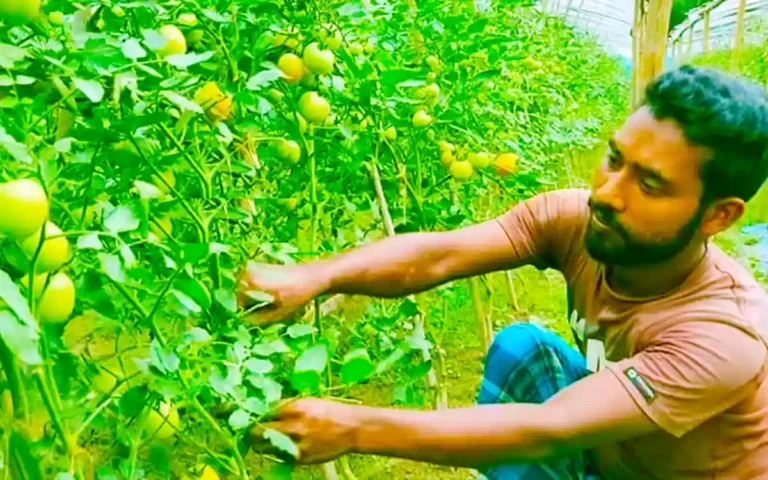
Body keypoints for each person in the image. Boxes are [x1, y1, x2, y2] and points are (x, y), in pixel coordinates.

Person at [239, 65, 768, 479]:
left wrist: (356, 427)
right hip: (612, 452)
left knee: (534, 431)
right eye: (613, 158)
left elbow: (545, 428)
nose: (607, 193)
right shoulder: (579, 220)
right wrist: (317, 276)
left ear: (719, 215)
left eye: (649, 184)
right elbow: (441, 254)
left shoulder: (725, 335)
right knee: (524, 349)